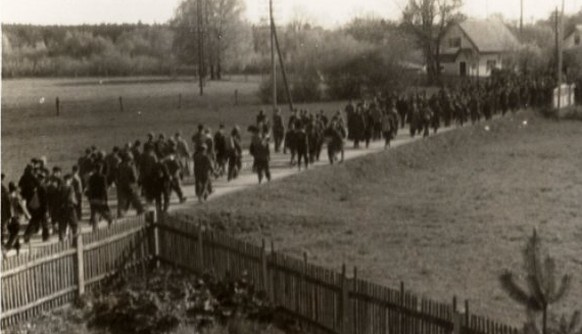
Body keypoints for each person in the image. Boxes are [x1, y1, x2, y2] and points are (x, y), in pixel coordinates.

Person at [23, 173, 49, 242]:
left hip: (36, 208)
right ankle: (45, 237)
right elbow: (45, 200)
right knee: (44, 223)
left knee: (33, 222)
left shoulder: (36, 187)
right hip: (42, 209)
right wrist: (46, 210)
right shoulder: (43, 187)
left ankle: (27, 236)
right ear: (43, 179)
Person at [116, 153, 144, 217]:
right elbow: (135, 178)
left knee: (121, 203)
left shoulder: (119, 166)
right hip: (130, 186)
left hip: (121, 185)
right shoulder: (131, 166)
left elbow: (117, 176)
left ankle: (120, 215)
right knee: (136, 201)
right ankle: (141, 214)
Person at [5, 183, 30, 254]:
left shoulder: (7, 196)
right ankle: (7, 247)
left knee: (13, 232)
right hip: (16, 218)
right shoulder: (17, 197)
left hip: (9, 219)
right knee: (15, 233)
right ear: (15, 189)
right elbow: (23, 207)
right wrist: (28, 216)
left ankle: (17, 246)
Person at [86, 164, 113, 230]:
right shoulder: (103, 177)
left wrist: (90, 198)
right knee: (106, 213)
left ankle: (95, 229)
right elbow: (104, 189)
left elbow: (89, 188)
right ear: (101, 169)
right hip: (101, 199)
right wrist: (105, 199)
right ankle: (110, 225)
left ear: (95, 169)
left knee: (95, 214)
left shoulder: (91, 177)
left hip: (93, 199)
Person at [58, 174, 78, 242]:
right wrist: (76, 202)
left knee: (62, 224)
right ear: (69, 180)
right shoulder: (71, 187)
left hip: (62, 208)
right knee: (74, 223)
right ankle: (75, 238)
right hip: (70, 208)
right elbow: (70, 198)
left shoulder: (60, 187)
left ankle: (62, 238)